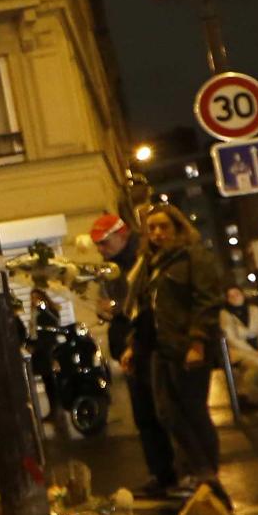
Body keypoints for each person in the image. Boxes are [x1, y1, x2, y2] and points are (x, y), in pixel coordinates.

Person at [119, 205, 225, 501]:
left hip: (185, 347)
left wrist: (198, 342)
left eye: (163, 227)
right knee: (167, 413)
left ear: (178, 228)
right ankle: (195, 470)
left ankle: (206, 473)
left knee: (193, 411)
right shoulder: (150, 264)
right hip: (157, 348)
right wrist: (132, 345)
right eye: (151, 228)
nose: (157, 233)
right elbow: (143, 310)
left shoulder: (194, 257)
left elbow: (206, 301)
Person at [92, 212, 178, 497]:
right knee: (145, 415)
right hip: (130, 348)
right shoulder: (111, 268)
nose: (100, 250)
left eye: (104, 243)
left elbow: (141, 308)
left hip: (145, 346)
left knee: (161, 411)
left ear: (122, 235)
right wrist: (106, 311)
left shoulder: (138, 264)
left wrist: (120, 318)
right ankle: (161, 474)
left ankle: (178, 473)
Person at [220, 286, 258, 413]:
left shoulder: (254, 310)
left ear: (242, 294)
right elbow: (232, 339)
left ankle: (252, 397)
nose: (235, 297)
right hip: (239, 350)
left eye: (237, 294)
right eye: (230, 296)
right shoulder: (225, 314)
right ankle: (243, 395)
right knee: (256, 364)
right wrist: (254, 353)